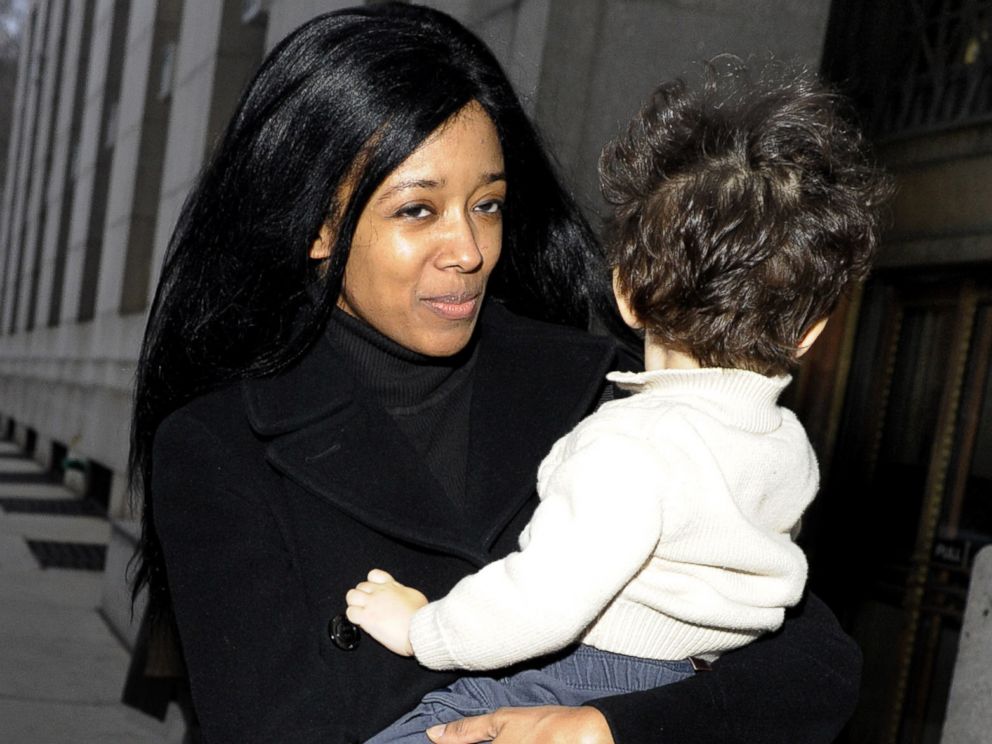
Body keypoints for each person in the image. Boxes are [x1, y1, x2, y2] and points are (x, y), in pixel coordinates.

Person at [129, 5, 863, 743]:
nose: (469, 250)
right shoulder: (219, 447)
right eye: (418, 210)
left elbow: (815, 666)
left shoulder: (614, 395)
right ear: (318, 224)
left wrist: (606, 730)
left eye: (487, 204)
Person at [346, 61, 892, 743]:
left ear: (627, 293)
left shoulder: (631, 443)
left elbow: (545, 600)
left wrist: (422, 629)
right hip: (687, 691)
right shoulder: (787, 447)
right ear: (811, 333)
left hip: (580, 678)